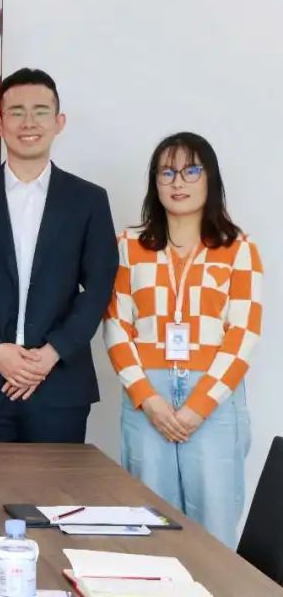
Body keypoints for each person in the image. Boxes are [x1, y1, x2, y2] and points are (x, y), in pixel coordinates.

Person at [104, 132, 261, 547]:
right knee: (148, 522)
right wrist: (148, 399)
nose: (178, 182)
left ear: (210, 178)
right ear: (155, 183)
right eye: (167, 172)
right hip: (147, 397)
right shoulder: (129, 245)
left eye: (191, 171)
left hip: (213, 398)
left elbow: (243, 333)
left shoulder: (239, 248)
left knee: (214, 526)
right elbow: (117, 325)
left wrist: (198, 406)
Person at [0, 68, 118, 443]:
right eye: (17, 111)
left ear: (59, 122)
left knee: (56, 484)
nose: (29, 122)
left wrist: (52, 353)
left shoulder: (88, 199)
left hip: (61, 383)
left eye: (40, 112)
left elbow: (99, 285)